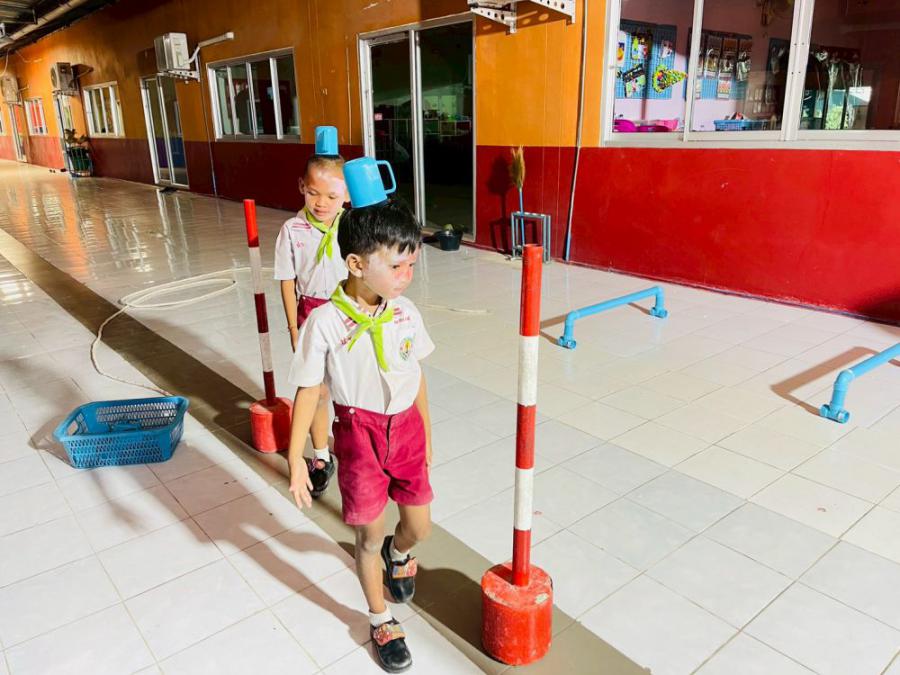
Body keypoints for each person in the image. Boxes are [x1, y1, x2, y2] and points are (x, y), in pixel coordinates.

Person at [287, 196, 433, 673]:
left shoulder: (406, 312)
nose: (405, 276)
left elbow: (417, 375)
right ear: (356, 264)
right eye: (396, 266)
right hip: (358, 436)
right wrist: (295, 459)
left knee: (419, 527)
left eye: (411, 265)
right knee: (368, 536)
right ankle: (380, 618)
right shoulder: (324, 322)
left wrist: (427, 435)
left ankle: (400, 551)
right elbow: (309, 391)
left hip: (406, 430)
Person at [273, 131, 346, 498]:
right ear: (302, 186)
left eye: (332, 196)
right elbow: (287, 281)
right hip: (311, 315)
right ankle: (320, 457)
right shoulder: (292, 230)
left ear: (346, 194)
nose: (321, 203)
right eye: (314, 193)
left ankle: (356, 446)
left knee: (349, 386)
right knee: (316, 390)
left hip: (348, 313)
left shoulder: (352, 225)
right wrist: (293, 328)